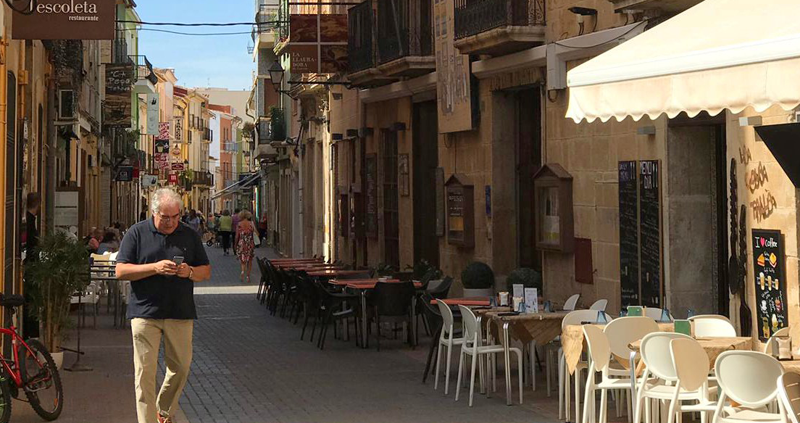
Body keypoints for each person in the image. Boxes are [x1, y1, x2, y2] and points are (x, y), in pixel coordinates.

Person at [115, 188, 211, 423]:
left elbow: (205, 271)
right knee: (144, 374)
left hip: (180, 312)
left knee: (181, 367)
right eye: (165, 217)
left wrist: (188, 272)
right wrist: (154, 268)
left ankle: (164, 409)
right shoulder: (136, 234)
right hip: (145, 313)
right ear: (153, 212)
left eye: (175, 217)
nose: (170, 222)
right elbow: (120, 271)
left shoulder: (189, 235)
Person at [23, 192, 41, 339]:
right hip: (30, 268)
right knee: (31, 300)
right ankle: (30, 334)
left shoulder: (28, 220)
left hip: (30, 267)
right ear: (38, 204)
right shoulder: (29, 222)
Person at [235, 210, 256, 283]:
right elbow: (256, 234)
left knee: (243, 260)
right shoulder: (251, 224)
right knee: (249, 260)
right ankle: (248, 276)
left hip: (242, 243)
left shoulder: (239, 224)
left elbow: (237, 236)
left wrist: (235, 244)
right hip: (249, 243)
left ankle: (242, 271)